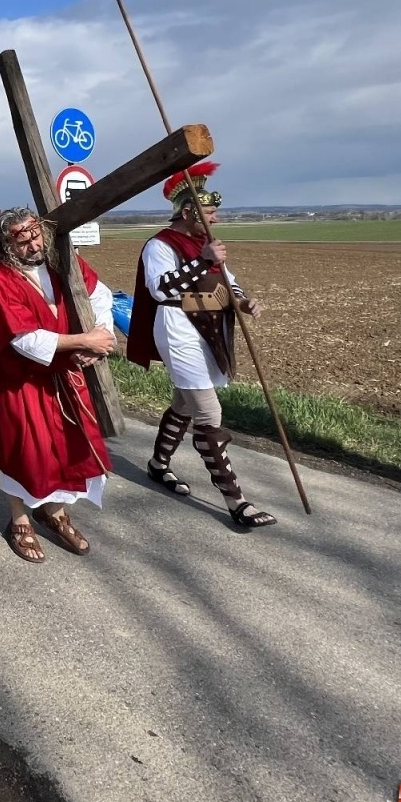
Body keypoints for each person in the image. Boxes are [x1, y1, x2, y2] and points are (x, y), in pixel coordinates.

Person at [126, 163, 276, 530]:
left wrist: (242, 302)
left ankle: (158, 466)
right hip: (178, 328)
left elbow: (229, 280)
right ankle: (235, 500)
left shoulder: (204, 244)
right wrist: (202, 261)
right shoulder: (160, 245)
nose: (217, 219)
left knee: (183, 402)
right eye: (210, 213)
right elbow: (161, 288)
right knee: (208, 413)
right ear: (190, 212)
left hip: (210, 329)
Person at [0, 209, 117, 562]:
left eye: (35, 236)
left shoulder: (61, 261)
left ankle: (53, 511)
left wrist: (101, 332)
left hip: (66, 377)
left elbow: (98, 294)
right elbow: (25, 339)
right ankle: (20, 519)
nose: (32, 245)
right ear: (7, 244)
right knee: (24, 449)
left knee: (71, 448)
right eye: (22, 241)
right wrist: (84, 340)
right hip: (21, 381)